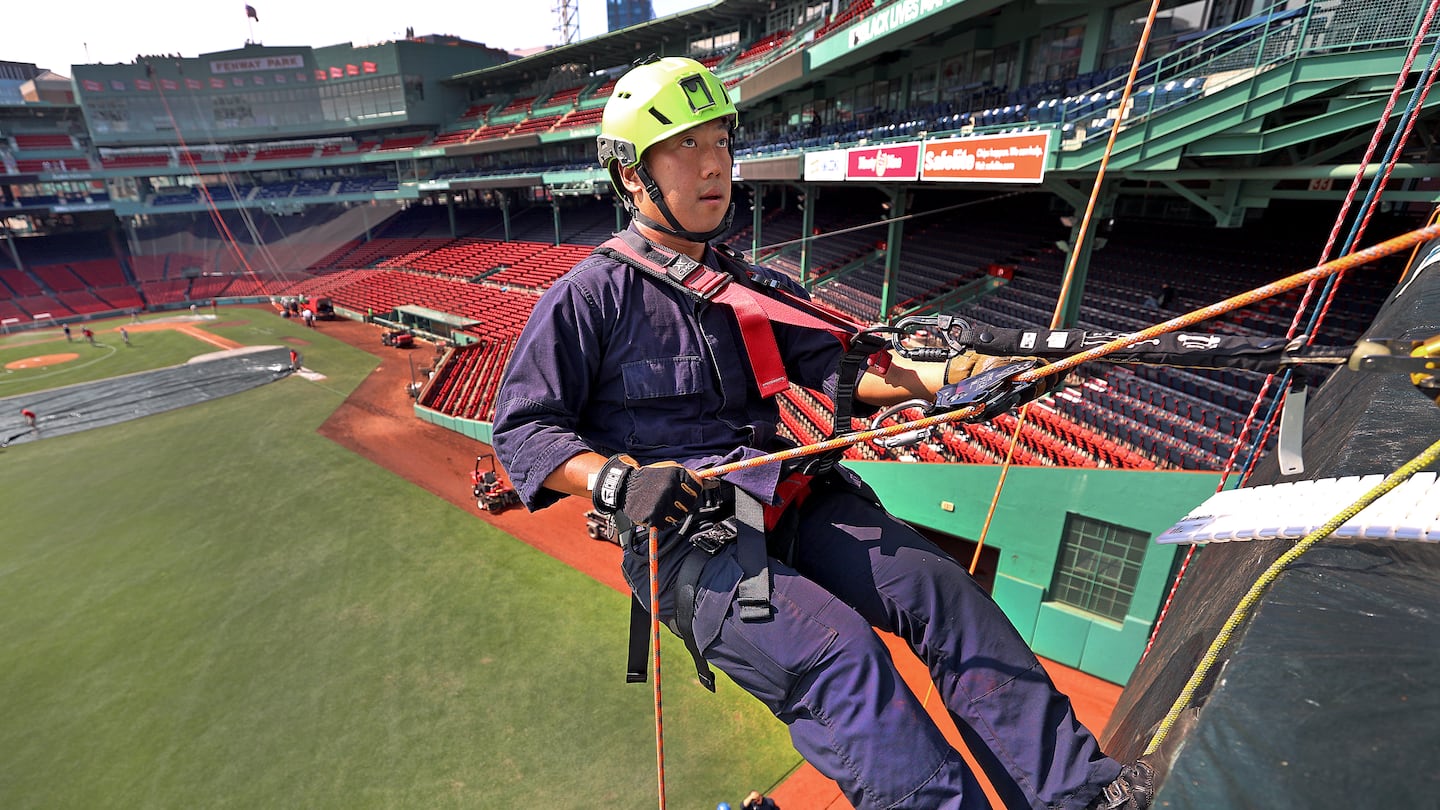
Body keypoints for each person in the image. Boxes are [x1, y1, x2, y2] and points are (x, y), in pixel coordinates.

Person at [492, 56, 1153, 810]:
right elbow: (523, 426)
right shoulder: (588, 298)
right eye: (686, 148)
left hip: (783, 501)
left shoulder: (748, 288)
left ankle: (1074, 794)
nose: (714, 166)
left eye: (720, 144)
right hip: (693, 550)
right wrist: (617, 480)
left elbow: (854, 367)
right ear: (634, 175)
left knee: (943, 594)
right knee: (842, 658)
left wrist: (971, 378)